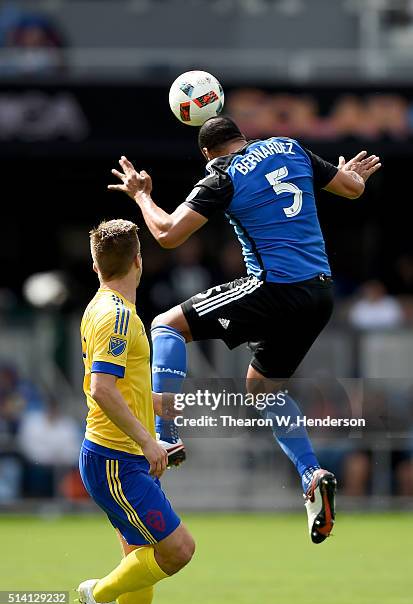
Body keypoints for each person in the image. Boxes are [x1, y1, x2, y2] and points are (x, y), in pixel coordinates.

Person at [108, 116, 381, 544]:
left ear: (205, 154)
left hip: (273, 286)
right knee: (263, 391)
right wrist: (351, 174)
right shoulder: (291, 148)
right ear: (243, 137)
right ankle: (311, 474)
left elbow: (166, 234)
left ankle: (167, 436)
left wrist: (142, 196)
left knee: (166, 325)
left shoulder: (221, 176)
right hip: (319, 294)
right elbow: (352, 188)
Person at [77, 219, 195, 604]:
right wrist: (147, 440)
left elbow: (116, 383)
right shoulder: (118, 315)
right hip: (117, 459)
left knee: (140, 556)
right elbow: (102, 388)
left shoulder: (101, 307)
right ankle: (97, 596)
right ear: (139, 261)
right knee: (178, 550)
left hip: (115, 456)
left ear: (96, 266)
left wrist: (153, 405)